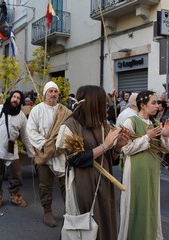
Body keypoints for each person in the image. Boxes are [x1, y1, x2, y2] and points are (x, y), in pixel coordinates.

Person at [56, 85, 129, 240]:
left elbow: (110, 160)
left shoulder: (103, 124)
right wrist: (105, 145)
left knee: (105, 221)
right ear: (93, 103)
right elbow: (75, 160)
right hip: (84, 184)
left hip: (104, 183)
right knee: (87, 224)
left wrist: (117, 147)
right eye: (103, 102)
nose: (106, 106)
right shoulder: (70, 125)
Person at [118, 90, 169, 240]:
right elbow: (126, 148)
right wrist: (147, 137)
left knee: (151, 204)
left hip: (152, 171)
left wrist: (165, 135)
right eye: (153, 103)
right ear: (142, 105)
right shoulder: (131, 122)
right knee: (136, 205)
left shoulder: (155, 123)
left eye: (157, 102)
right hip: (136, 171)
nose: (157, 106)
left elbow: (164, 149)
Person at [26, 81, 71, 227]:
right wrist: (46, 145)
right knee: (45, 185)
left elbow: (71, 130)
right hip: (44, 153)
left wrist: (60, 144)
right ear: (45, 94)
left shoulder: (65, 111)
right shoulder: (37, 110)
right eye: (50, 91)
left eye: (55, 91)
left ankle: (70, 212)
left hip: (61, 153)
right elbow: (31, 131)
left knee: (67, 185)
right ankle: (48, 212)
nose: (53, 94)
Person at [0, 90, 35, 209]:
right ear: (10, 98)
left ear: (20, 101)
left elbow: (25, 136)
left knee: (16, 175)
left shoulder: (22, 116)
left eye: (18, 98)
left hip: (12, 151)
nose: (15, 99)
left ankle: (15, 196)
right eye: (14, 96)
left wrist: (31, 153)